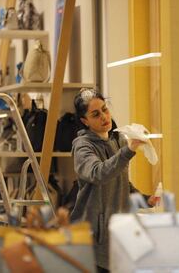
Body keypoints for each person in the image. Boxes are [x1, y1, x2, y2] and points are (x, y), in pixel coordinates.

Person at [70, 88, 156, 272]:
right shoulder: (83, 147)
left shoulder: (118, 140)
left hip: (118, 233)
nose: (104, 116)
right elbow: (98, 173)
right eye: (95, 114)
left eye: (104, 109)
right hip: (93, 237)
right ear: (85, 121)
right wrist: (128, 151)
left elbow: (122, 182)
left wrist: (145, 199)